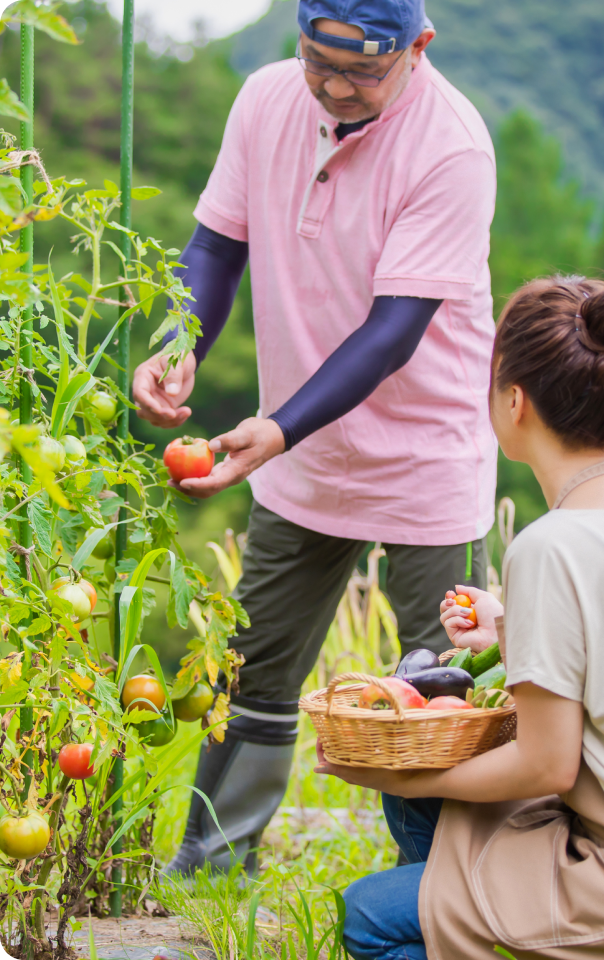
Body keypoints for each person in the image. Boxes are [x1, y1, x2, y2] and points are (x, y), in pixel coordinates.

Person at [133, 0, 498, 876]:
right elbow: (215, 249)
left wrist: (280, 425)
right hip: (301, 452)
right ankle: (215, 862)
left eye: (362, 72)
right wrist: (179, 345)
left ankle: (455, 883)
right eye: (316, 63)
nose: (334, 89)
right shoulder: (264, 101)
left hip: (424, 455)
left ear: (419, 47)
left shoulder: (452, 146)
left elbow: (394, 330)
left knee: (441, 685)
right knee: (252, 664)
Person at [317, 277, 604, 960]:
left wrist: (388, 772)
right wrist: (512, 628)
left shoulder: (549, 546)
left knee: (369, 918)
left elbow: (547, 765)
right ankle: (488, 924)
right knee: (423, 809)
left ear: (514, 401)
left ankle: (485, 929)